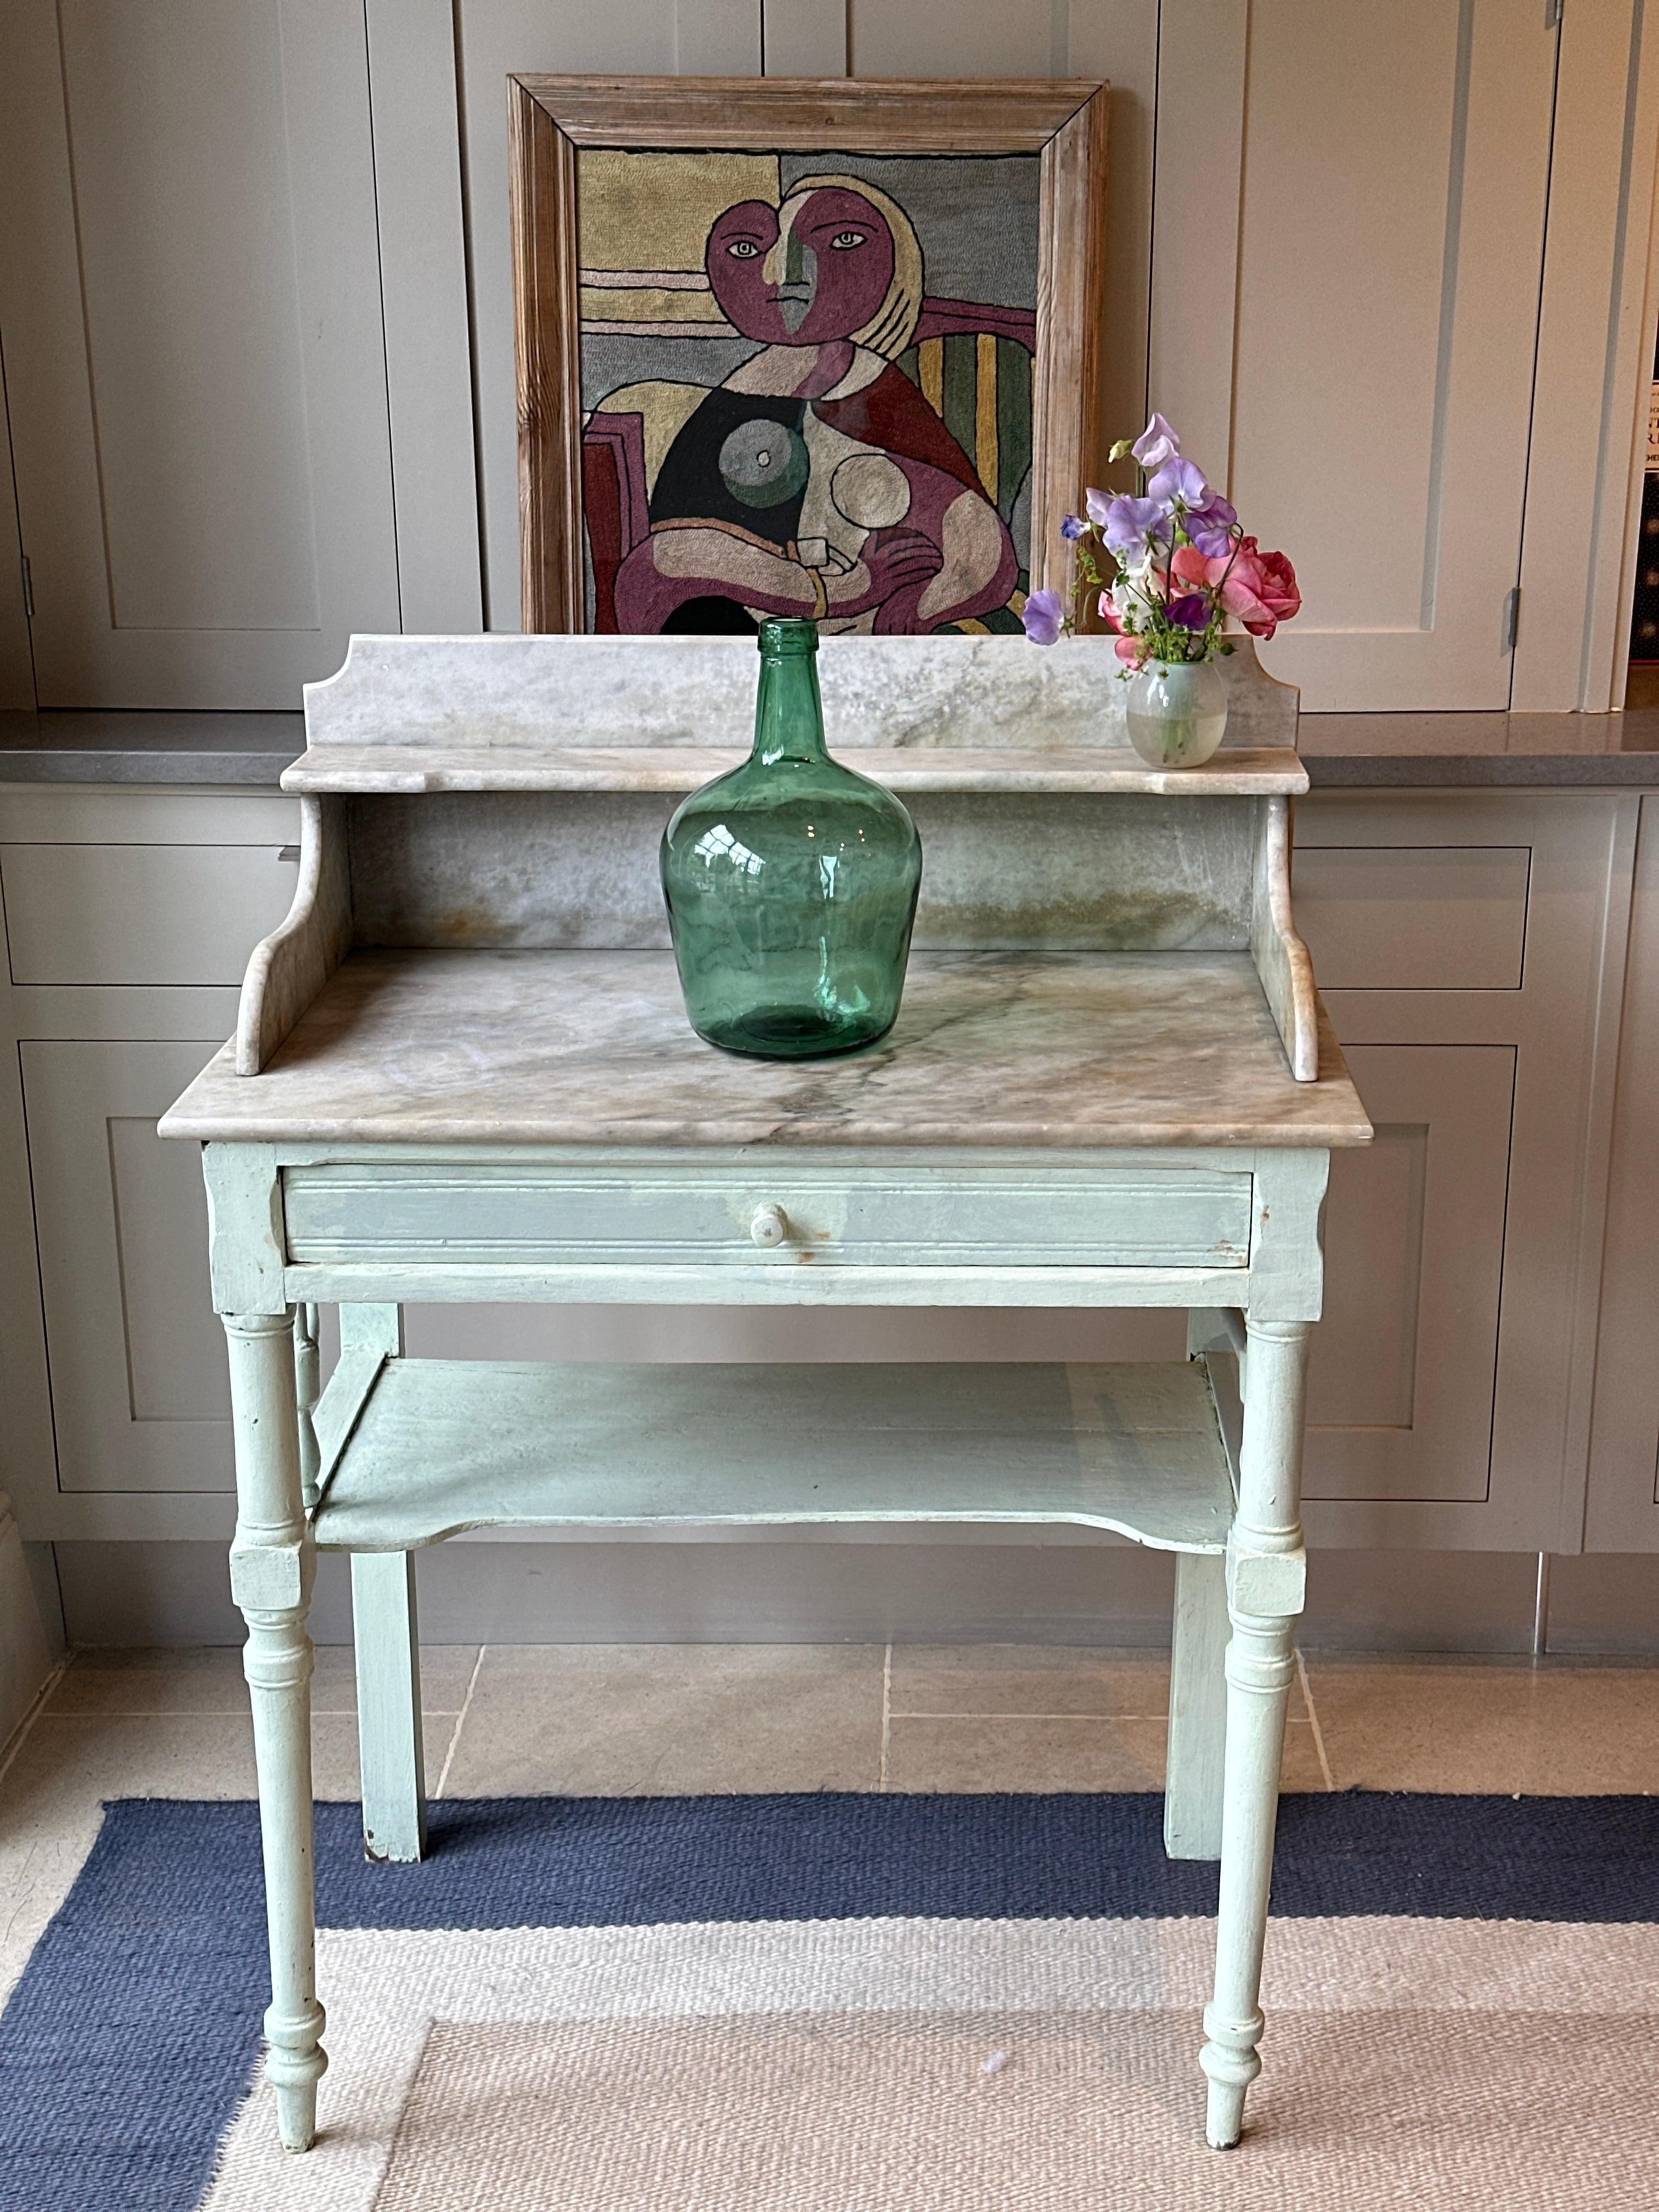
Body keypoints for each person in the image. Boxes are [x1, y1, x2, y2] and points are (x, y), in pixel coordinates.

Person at [606, 177, 1018, 635]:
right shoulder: (736, 397)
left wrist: (917, 610)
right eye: (748, 249)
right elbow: (662, 565)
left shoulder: (876, 392)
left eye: (842, 241)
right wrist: (835, 590)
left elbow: (979, 549)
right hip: (750, 626)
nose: (786, 273)